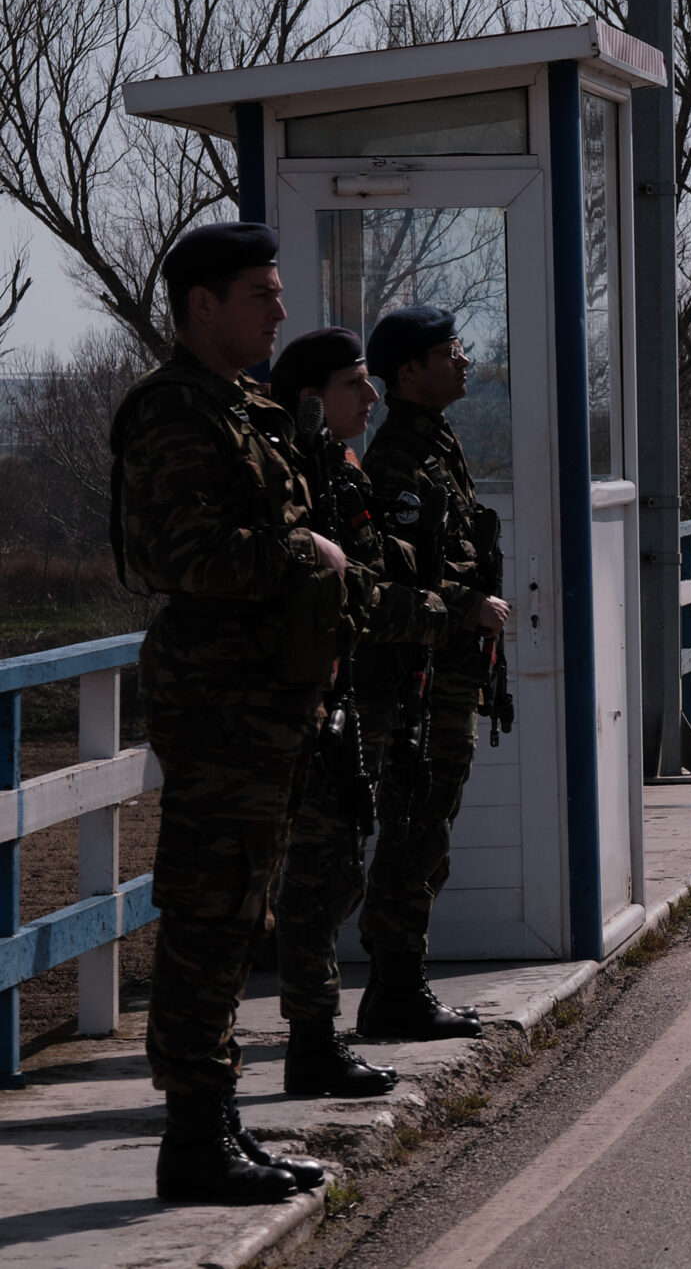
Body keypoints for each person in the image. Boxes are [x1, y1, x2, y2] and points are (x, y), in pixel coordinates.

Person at [111, 221, 339, 1204]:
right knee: (210, 911)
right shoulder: (174, 411)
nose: (281, 310)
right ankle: (195, 1140)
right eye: (261, 294)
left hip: (264, 695)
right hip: (217, 699)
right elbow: (180, 556)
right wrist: (305, 556)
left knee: (243, 908)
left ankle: (219, 1123)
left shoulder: (245, 406)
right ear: (201, 306)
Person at [270, 327, 446, 1098]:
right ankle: (311, 1043)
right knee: (317, 875)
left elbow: (372, 562)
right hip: (308, 696)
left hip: (349, 692)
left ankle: (319, 1037)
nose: (372, 396)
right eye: (355, 383)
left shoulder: (339, 466)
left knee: (338, 864)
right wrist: (432, 610)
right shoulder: (295, 472)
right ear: (313, 398)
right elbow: (343, 587)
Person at [354, 306, 511, 1042]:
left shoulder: (435, 445)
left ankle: (399, 986)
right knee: (415, 830)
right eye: (450, 351)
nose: (463, 361)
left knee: (429, 828)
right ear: (410, 370)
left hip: (446, 671)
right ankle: (395, 991)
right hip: (417, 678)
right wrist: (468, 604)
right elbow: (391, 577)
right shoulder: (398, 462)